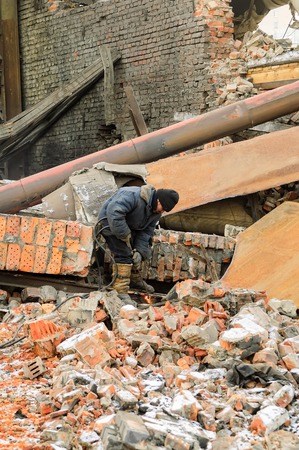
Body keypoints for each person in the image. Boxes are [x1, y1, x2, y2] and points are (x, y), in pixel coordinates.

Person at [98, 184, 179, 304]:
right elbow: (114, 213)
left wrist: (140, 251)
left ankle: (134, 278)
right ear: (158, 199)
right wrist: (124, 234)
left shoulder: (156, 211)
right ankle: (120, 292)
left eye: (164, 211)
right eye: (162, 208)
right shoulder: (132, 195)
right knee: (124, 254)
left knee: (143, 251)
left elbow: (146, 232)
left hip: (130, 227)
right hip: (109, 223)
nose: (161, 212)